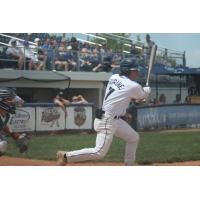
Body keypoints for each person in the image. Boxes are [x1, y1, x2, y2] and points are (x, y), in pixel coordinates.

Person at [56, 58, 151, 166]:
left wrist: (143, 93)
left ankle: (129, 164)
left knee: (133, 138)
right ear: (127, 70)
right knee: (99, 152)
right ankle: (65, 156)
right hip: (108, 120)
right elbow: (141, 97)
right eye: (134, 70)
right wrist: (147, 91)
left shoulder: (114, 77)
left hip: (112, 119)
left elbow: (131, 95)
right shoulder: (133, 86)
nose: (137, 72)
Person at [0, 87, 29, 156]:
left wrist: (15, 136)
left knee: (2, 144)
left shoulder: (5, 116)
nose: (12, 102)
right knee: (2, 144)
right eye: (9, 100)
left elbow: (2, 126)